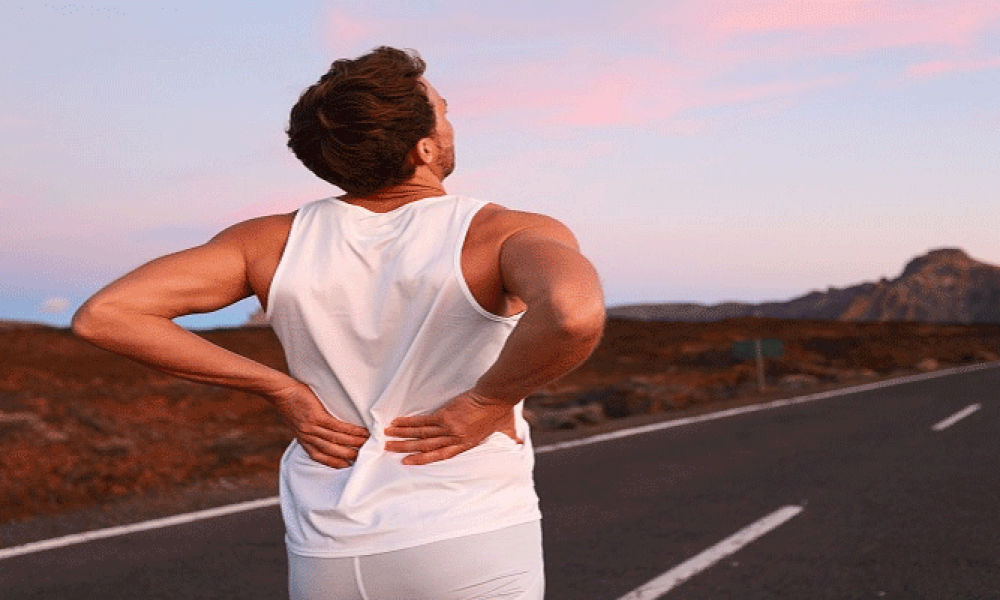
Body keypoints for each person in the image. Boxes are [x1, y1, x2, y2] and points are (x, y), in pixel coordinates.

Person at [72, 46, 605, 599]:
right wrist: (486, 401)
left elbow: (105, 315)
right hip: (469, 531)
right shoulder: (500, 231)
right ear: (424, 147)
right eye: (444, 112)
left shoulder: (267, 241)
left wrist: (281, 389)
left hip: (329, 549)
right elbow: (572, 311)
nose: (451, 125)